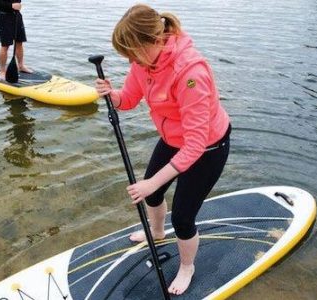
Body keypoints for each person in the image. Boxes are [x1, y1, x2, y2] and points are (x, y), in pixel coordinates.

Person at [94, 4, 231, 296]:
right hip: (173, 138)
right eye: (127, 54)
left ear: (154, 40)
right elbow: (129, 98)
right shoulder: (143, 61)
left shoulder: (190, 72)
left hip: (207, 146)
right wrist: (112, 95)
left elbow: (195, 144)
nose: (131, 60)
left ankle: (186, 266)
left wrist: (152, 181)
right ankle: (156, 233)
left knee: (182, 217)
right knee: (153, 194)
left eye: (133, 52)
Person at [0, 0, 33, 81]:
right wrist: (11, 6)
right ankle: (2, 71)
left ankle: (21, 66)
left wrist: (16, 5)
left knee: (19, 42)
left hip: (17, 16)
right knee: (5, 45)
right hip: (4, 17)